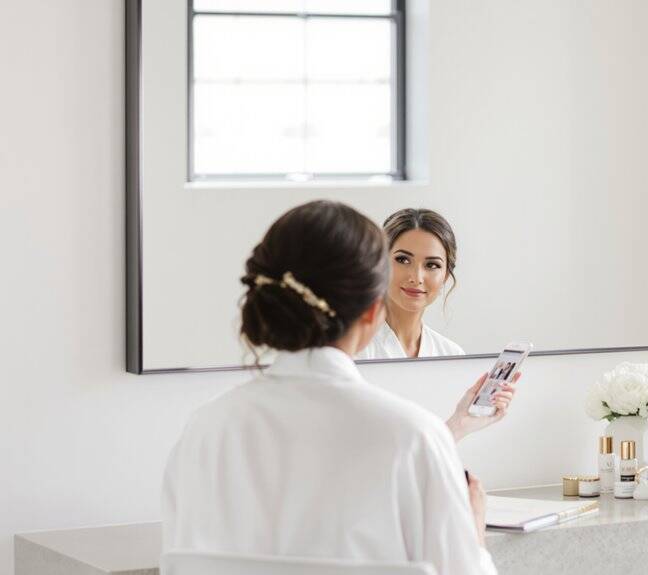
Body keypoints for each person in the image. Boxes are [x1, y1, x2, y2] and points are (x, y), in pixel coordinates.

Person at [162, 200, 517, 573]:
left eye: (431, 265)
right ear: (372, 309)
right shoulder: (414, 437)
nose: (416, 276)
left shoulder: (204, 431)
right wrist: (473, 532)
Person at [355, 208, 464, 360]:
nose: (417, 277)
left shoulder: (451, 355)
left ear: (445, 276)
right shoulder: (352, 349)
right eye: (403, 260)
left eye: (432, 265)